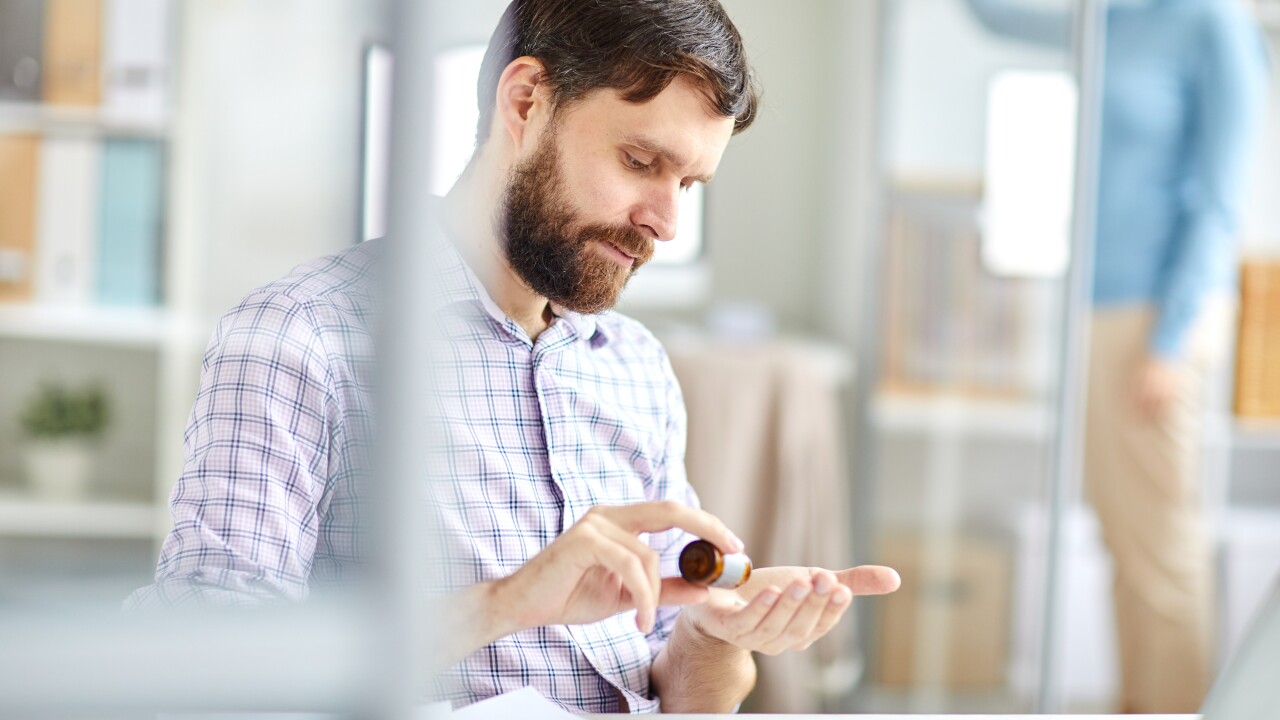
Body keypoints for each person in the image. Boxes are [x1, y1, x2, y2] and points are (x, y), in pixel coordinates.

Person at [127, 0, 901, 714]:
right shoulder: (304, 337)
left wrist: (723, 634)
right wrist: (508, 602)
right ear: (526, 101)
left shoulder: (633, 367)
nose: (664, 222)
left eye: (689, 184)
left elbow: (684, 681)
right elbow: (210, 658)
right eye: (639, 161)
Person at [965, 0, 1269, 713]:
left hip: (1160, 318)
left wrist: (1170, 341)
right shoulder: (1113, 16)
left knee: (1160, 551)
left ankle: (1174, 707)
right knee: (1125, 542)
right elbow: (993, 16)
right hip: (1097, 309)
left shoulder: (1215, 24)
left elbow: (1220, 201)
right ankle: (1142, 705)